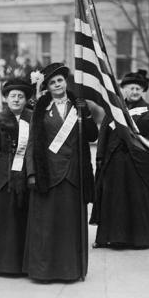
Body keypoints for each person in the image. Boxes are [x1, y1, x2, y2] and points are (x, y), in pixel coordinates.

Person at [23, 62, 98, 282]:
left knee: (70, 226)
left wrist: (86, 113)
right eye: (52, 82)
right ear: (47, 86)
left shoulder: (79, 106)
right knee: (46, 226)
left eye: (60, 80)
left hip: (74, 175)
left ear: (66, 82)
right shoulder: (40, 108)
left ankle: (71, 271)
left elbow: (92, 136)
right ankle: (44, 271)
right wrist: (32, 172)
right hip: (48, 174)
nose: (57, 85)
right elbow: (32, 143)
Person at [92, 69, 149, 249]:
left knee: (137, 200)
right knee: (115, 200)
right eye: (131, 88)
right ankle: (114, 238)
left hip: (139, 164)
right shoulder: (114, 110)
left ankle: (141, 239)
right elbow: (104, 135)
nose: (134, 92)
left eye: (138, 89)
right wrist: (100, 158)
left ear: (143, 91)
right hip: (115, 161)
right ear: (124, 90)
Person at [0, 78, 33, 276]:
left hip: (26, 177)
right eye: (13, 96)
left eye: (21, 96)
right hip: (3, 177)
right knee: (2, 221)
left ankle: (23, 265)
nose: (17, 100)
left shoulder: (32, 118)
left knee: (23, 221)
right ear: (6, 99)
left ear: (26, 99)